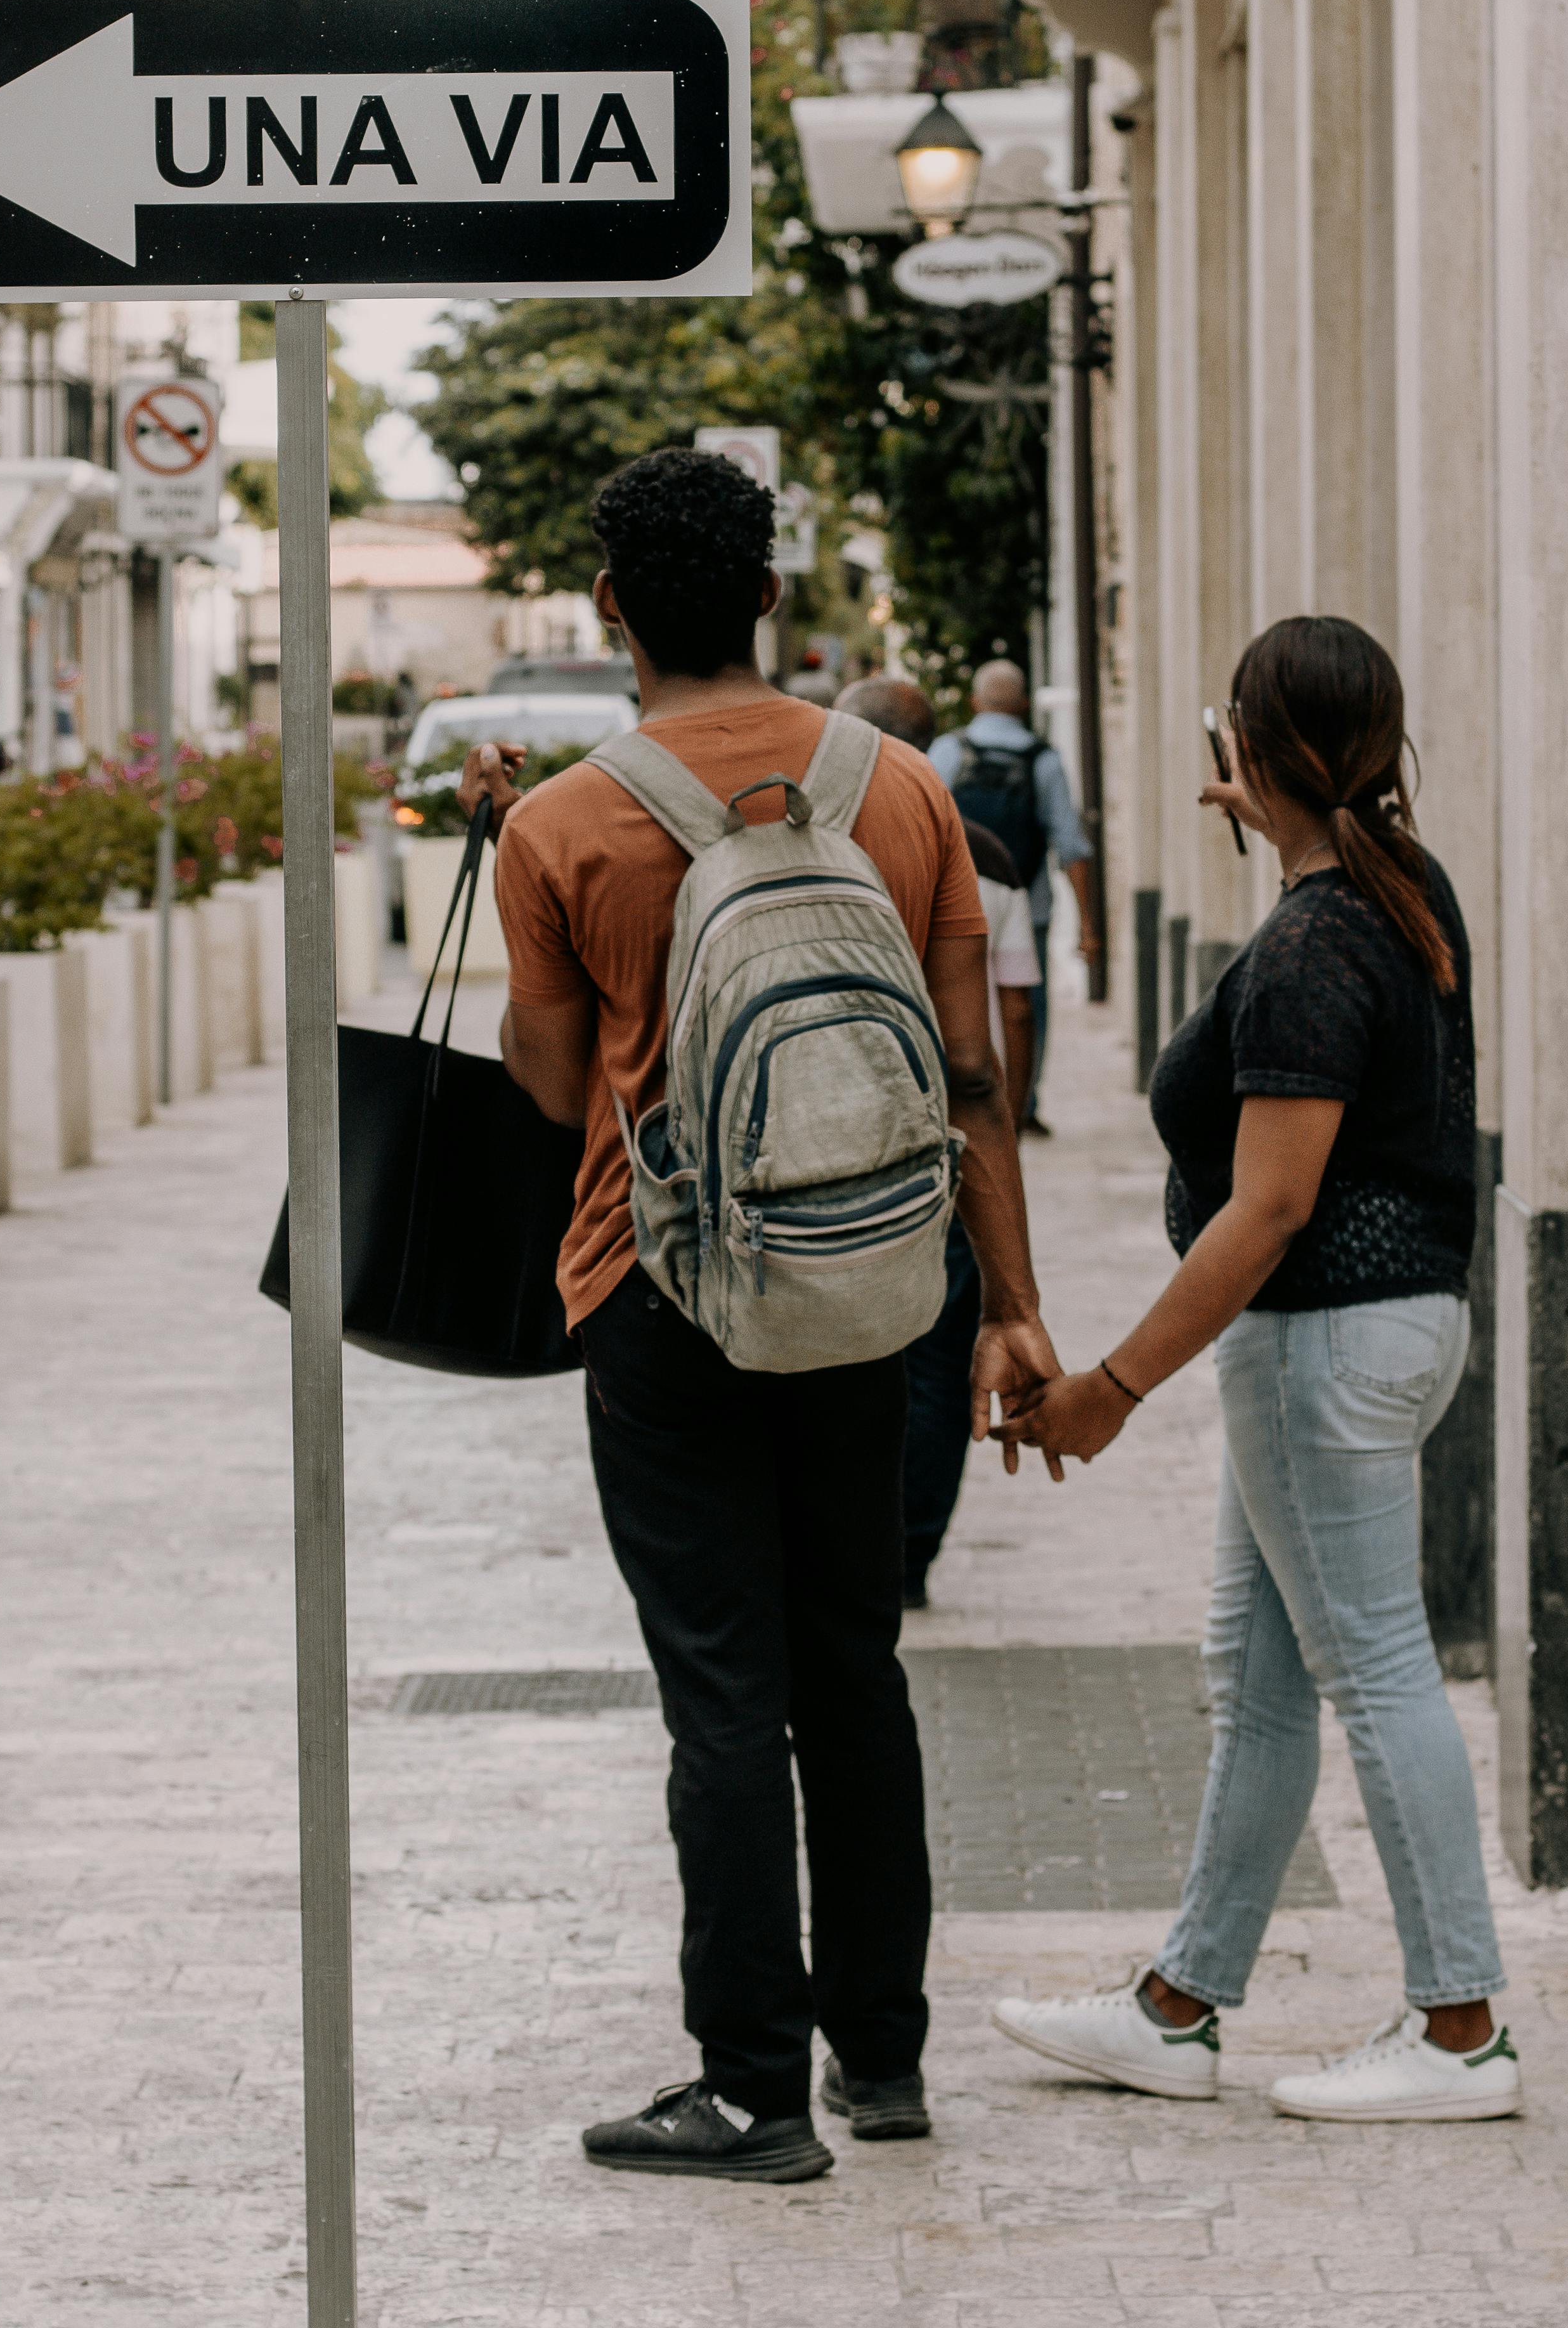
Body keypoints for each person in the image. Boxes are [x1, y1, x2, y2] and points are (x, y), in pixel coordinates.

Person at [459, 448, 1063, 2184]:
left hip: (659, 1297)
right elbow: (972, 1079)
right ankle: (884, 2062)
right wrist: (1007, 1309)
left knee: (721, 1689)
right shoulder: (897, 790)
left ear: (611, 611)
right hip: (875, 1285)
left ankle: (747, 2090)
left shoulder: (566, 824)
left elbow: (557, 1080)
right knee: (851, 1673)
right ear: (775, 599)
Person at [991, 616, 1519, 2124]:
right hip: (1386, 1333)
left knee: (1364, 1665)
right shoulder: (1394, 891)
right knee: (1265, 1678)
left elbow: (1270, 1201)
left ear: (1251, 752)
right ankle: (1178, 2002)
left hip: (1319, 1350)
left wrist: (1111, 1382)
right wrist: (1280, 823)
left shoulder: (1305, 944)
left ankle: (1459, 2024)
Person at [838, 677, 1039, 1607]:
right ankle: (907, 1556)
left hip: (840, 1140)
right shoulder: (986, 856)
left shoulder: (817, 840)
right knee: (938, 1357)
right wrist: (1008, 1132)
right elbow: (1004, 1018)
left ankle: (856, 1543)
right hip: (947, 1149)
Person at [928, 660, 1096, 1135]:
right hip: (1028, 906)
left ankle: (958, 1095)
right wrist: (1088, 926)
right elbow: (1071, 846)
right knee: (1026, 1007)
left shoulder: (946, 750)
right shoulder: (1044, 759)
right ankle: (1022, 1104)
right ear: (1023, 705)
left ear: (975, 703)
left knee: (952, 995)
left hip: (955, 907)